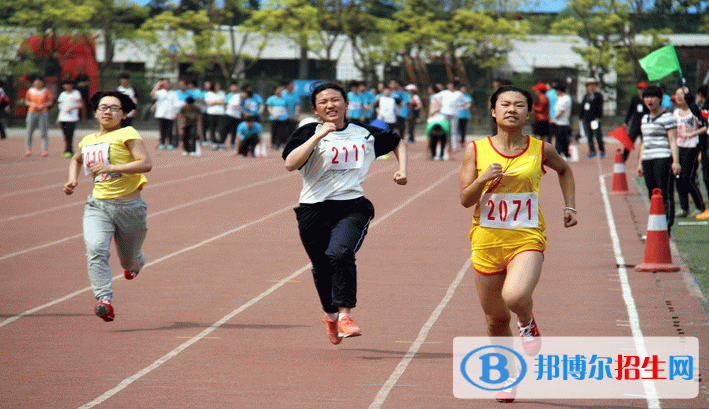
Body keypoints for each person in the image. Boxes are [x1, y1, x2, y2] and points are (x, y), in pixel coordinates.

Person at [459, 85, 577, 403]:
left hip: (526, 238)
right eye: (505, 104)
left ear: (528, 113)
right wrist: (482, 180)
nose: (512, 109)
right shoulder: (476, 149)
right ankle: (508, 376)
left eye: (519, 105)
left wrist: (570, 206)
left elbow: (565, 170)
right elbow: (465, 200)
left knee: (515, 295)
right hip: (486, 241)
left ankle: (527, 323)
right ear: (493, 111)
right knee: (495, 319)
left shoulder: (541, 149)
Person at [282, 82, 407, 345]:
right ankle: (330, 317)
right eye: (324, 102)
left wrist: (402, 170)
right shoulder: (307, 132)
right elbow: (290, 164)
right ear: (316, 109)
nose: (331, 105)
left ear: (347, 104)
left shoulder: (364, 133)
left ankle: (345, 315)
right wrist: (318, 136)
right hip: (312, 209)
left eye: (336, 100)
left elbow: (397, 141)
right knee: (321, 267)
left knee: (339, 253)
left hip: (352, 206)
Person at [63, 91, 152, 322]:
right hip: (98, 206)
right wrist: (72, 179)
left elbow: (146, 163)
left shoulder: (128, 133)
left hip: (130, 207)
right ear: (95, 112)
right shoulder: (88, 140)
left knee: (129, 261)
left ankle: (136, 263)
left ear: (123, 114)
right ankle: (104, 300)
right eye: (103, 107)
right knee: (95, 250)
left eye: (114, 108)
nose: (108, 111)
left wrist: (110, 168)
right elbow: (76, 159)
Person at [636, 85, 680, 235]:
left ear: (660, 99)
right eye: (646, 97)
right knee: (652, 193)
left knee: (663, 192)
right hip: (648, 158)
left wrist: (676, 161)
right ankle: (657, 225)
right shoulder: (644, 118)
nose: (649, 100)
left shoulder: (668, 117)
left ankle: (666, 226)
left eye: (653, 97)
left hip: (663, 157)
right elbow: (644, 142)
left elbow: (673, 140)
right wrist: (640, 162)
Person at [672, 86, 706, 218]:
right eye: (677, 94)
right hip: (678, 146)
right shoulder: (675, 113)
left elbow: (705, 126)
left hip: (692, 147)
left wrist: (691, 134)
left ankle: (700, 206)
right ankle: (684, 207)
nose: (680, 97)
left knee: (687, 177)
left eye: (682, 94)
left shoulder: (694, 111)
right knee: (678, 178)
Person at [24, 77, 54, 157]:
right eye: (36, 82)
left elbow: (50, 101)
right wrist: (32, 104)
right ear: (33, 83)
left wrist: (43, 105)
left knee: (44, 131)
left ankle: (44, 149)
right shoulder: (30, 91)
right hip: (32, 112)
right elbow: (26, 101)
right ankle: (28, 149)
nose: (37, 83)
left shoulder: (46, 91)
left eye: (39, 82)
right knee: (29, 131)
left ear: (42, 83)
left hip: (43, 112)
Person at [623, 82, 650, 162]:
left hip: (645, 124)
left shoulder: (648, 100)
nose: (641, 91)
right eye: (640, 89)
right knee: (629, 141)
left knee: (644, 143)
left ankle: (642, 159)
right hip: (635, 124)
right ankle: (623, 158)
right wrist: (626, 122)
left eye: (643, 90)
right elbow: (630, 110)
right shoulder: (635, 98)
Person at [56, 79, 84, 158]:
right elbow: (61, 107)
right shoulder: (62, 95)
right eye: (65, 84)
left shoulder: (76, 93)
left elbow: (80, 104)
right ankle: (69, 150)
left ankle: (68, 150)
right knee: (65, 135)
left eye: (69, 84)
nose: (67, 86)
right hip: (63, 118)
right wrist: (58, 118)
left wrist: (72, 107)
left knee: (70, 135)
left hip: (72, 118)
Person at [150, 78, 179, 150]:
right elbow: (152, 94)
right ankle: (162, 143)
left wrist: (175, 113)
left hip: (170, 114)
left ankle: (170, 144)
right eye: (165, 83)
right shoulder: (159, 92)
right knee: (162, 130)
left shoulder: (173, 93)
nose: (167, 85)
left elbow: (175, 104)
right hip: (161, 113)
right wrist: (157, 85)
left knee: (169, 130)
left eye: (168, 83)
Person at [581, 78, 605, 158]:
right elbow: (582, 107)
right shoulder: (586, 96)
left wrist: (599, 117)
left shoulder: (598, 95)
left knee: (598, 135)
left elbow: (600, 107)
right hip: (587, 118)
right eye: (589, 85)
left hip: (595, 119)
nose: (591, 87)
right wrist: (581, 117)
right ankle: (592, 151)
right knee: (589, 136)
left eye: (593, 85)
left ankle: (601, 150)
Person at [695, 85, 709, 220]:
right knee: (706, 177)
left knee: (707, 177)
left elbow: (705, 126)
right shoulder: (703, 106)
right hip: (705, 146)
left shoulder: (705, 106)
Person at [550, 84, 572, 159]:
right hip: (559, 122)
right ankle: (561, 154)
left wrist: (554, 118)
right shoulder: (561, 98)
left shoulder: (565, 99)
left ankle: (563, 154)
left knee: (561, 140)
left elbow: (561, 111)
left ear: (559, 91)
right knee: (559, 140)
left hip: (563, 123)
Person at [266, 85, 290, 150]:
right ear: (275, 91)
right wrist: (273, 114)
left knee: (283, 132)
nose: (279, 91)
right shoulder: (271, 98)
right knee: (274, 131)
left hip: (284, 118)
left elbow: (287, 107)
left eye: (280, 90)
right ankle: (274, 145)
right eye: (278, 90)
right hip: (275, 118)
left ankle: (282, 144)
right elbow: (269, 107)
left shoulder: (285, 98)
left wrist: (289, 115)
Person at [204, 82, 226, 150]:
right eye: (216, 86)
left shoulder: (222, 93)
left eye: (219, 86)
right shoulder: (208, 94)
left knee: (221, 128)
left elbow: (223, 101)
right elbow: (209, 103)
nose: (218, 87)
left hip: (220, 113)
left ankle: (221, 143)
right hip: (211, 113)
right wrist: (218, 102)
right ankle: (214, 143)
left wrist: (214, 102)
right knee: (212, 128)